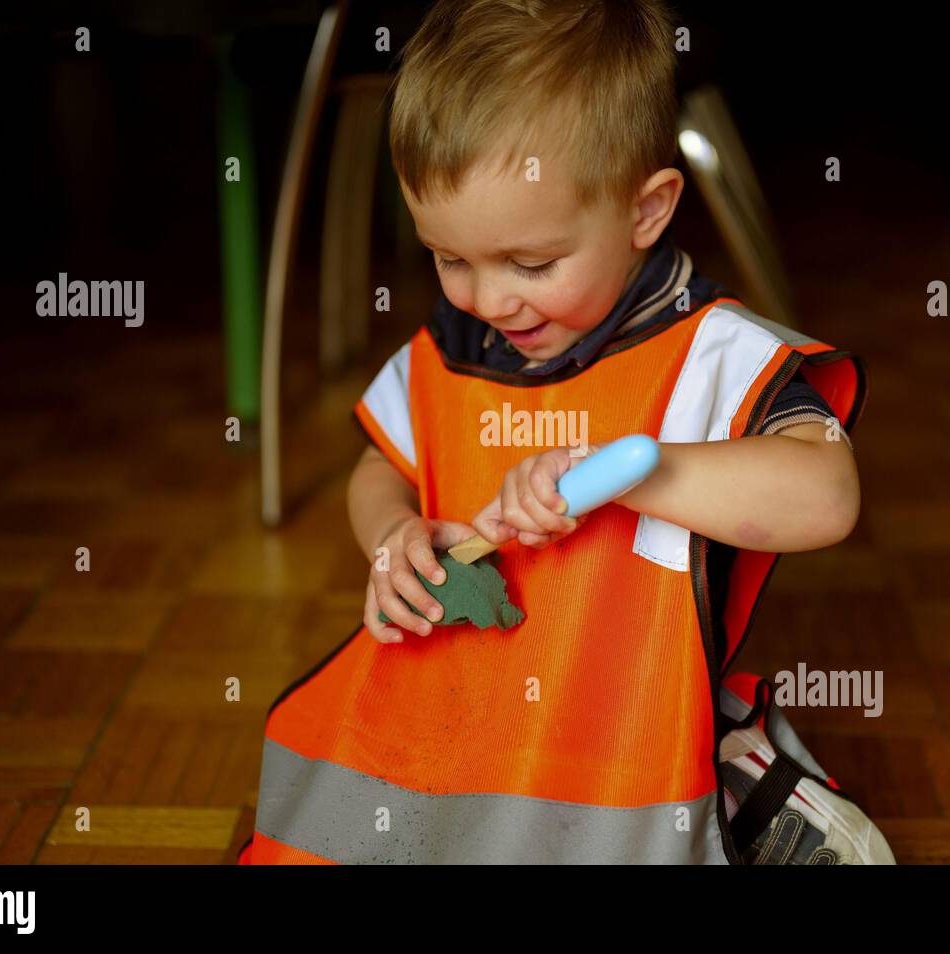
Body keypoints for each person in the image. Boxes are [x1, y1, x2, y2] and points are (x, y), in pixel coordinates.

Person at [241, 0, 874, 865]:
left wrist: (634, 473)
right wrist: (394, 539)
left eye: (531, 265)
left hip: (622, 738)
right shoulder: (457, 341)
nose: (489, 300)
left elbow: (826, 496)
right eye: (449, 257)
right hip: (463, 725)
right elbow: (376, 471)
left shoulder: (710, 353)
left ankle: (739, 779)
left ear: (646, 211)